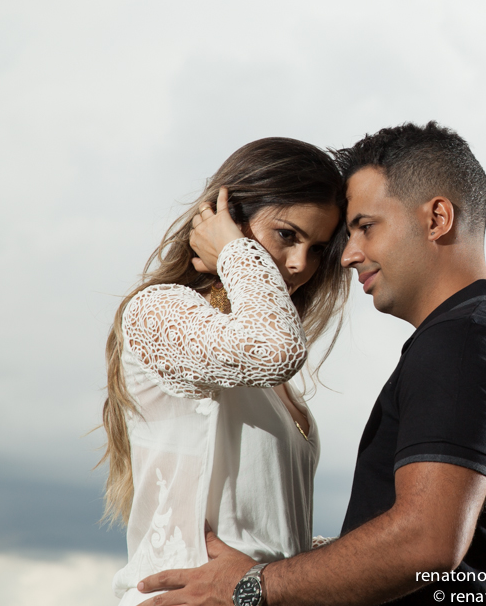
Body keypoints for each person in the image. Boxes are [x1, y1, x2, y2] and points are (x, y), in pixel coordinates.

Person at [138, 122, 486, 606]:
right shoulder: (484, 336)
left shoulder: (462, 342)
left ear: (437, 218)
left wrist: (251, 585)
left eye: (365, 227)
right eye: (289, 236)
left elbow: (425, 542)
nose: (345, 256)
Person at [101, 137, 351, 606]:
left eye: (317, 248)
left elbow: (260, 525)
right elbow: (273, 347)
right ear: (226, 220)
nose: (300, 263)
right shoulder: (158, 311)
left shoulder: (262, 370)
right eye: (286, 235)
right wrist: (235, 251)